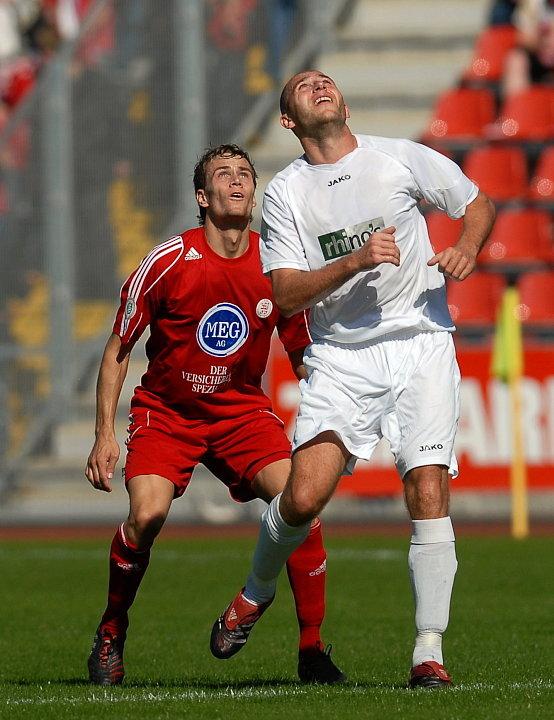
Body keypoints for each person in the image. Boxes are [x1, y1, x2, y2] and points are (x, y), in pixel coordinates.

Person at [210, 71, 496, 689]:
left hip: (421, 340)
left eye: (325, 81)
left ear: (343, 102)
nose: (319, 86)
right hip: (342, 356)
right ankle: (257, 590)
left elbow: (476, 203)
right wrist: (356, 259)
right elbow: (285, 293)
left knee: (427, 486)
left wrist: (468, 247)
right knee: (305, 496)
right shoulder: (288, 192)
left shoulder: (397, 157)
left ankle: (428, 652)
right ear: (289, 121)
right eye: (303, 86)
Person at [84, 143, 345, 686]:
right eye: (223, 174)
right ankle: (111, 629)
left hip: (241, 414)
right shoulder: (168, 262)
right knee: (147, 515)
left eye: (245, 174)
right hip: (168, 414)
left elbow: (302, 352)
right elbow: (117, 349)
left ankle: (312, 649)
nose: (237, 181)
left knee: (302, 505)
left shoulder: (278, 264)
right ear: (202, 197)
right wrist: (103, 434)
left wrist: (329, 418)